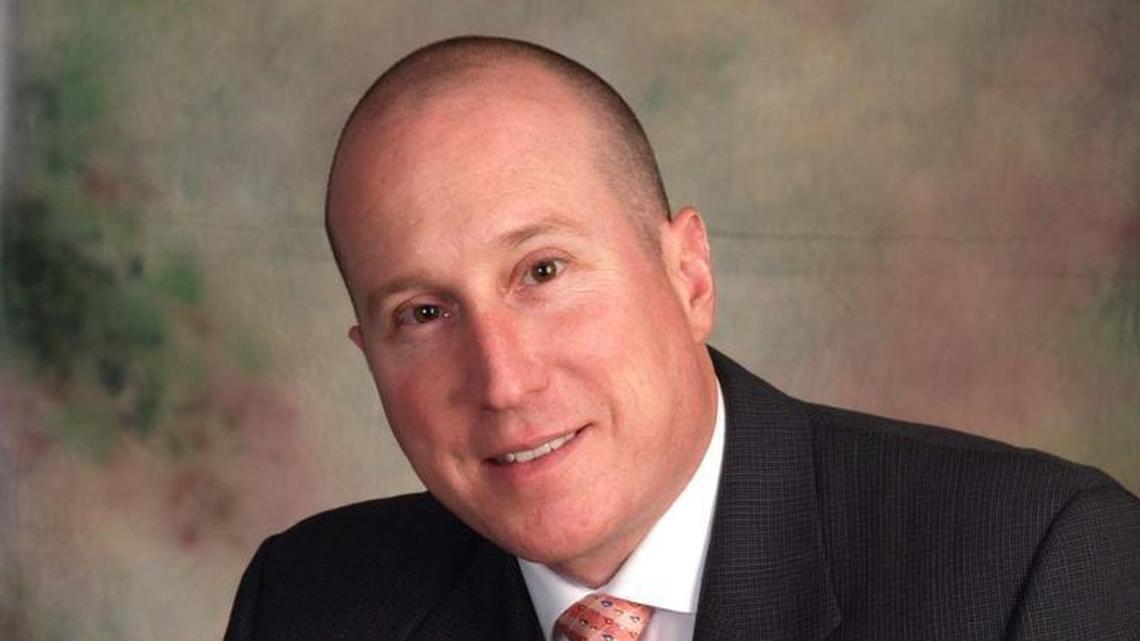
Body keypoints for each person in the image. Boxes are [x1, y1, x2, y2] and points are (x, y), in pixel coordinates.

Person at [223, 36, 1140, 641]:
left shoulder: (1034, 564)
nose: (502, 379)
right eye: (423, 314)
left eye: (543, 271)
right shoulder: (308, 602)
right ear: (371, 358)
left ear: (688, 274)